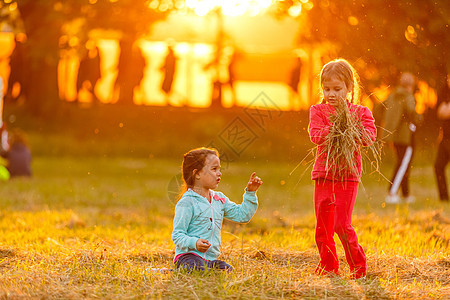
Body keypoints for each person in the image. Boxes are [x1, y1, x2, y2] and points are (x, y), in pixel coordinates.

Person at [308, 59, 377, 279]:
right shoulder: (318, 111)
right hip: (324, 175)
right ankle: (328, 265)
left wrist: (352, 128)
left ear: (349, 88)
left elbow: (369, 137)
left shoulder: (360, 112)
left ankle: (358, 266)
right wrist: (335, 128)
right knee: (323, 227)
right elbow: (315, 135)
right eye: (327, 89)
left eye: (337, 89)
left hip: (348, 176)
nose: (331, 94)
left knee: (341, 224)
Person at [172, 147, 262, 272]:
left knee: (227, 270)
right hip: (188, 257)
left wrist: (250, 193)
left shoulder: (219, 199)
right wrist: (195, 243)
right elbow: (177, 235)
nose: (219, 173)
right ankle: (175, 270)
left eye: (219, 169)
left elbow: (242, 215)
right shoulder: (187, 203)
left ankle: (205, 269)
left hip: (210, 259)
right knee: (197, 268)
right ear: (197, 173)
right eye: (214, 169)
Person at [383, 73, 422, 204]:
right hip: (406, 136)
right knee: (402, 165)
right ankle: (391, 193)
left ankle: (405, 194)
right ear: (411, 86)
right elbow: (412, 113)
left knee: (403, 164)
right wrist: (418, 118)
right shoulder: (408, 96)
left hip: (396, 136)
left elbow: (382, 111)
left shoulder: (393, 95)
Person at [434, 74, 450, 202]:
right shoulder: (444, 90)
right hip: (445, 137)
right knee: (438, 166)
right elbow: (441, 112)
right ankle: (444, 197)